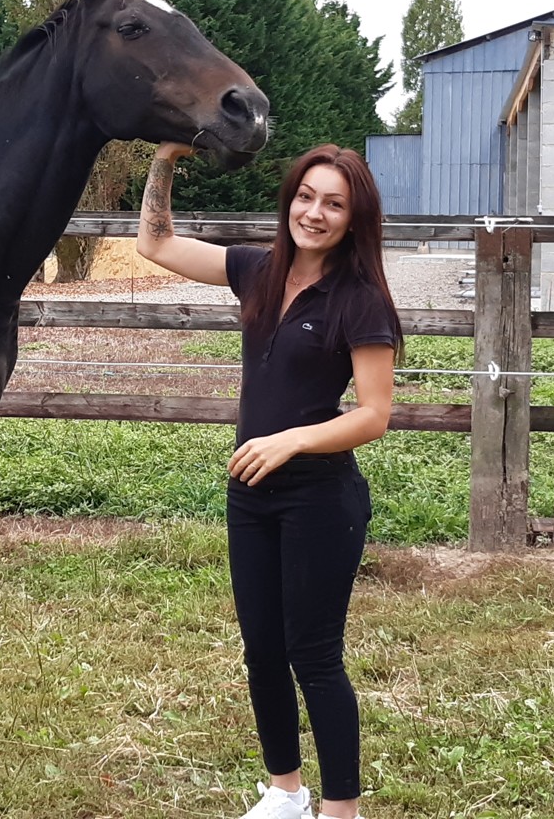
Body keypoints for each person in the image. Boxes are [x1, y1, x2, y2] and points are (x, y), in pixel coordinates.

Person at [136, 142, 403, 819]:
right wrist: (165, 157)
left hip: (321, 499)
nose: (315, 213)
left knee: (314, 657)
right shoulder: (257, 270)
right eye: (306, 196)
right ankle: (287, 793)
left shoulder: (359, 300)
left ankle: (341, 810)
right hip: (249, 494)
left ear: (353, 218)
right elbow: (156, 243)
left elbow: (375, 414)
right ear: (290, 198)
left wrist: (292, 440)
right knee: (262, 652)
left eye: (333, 204)